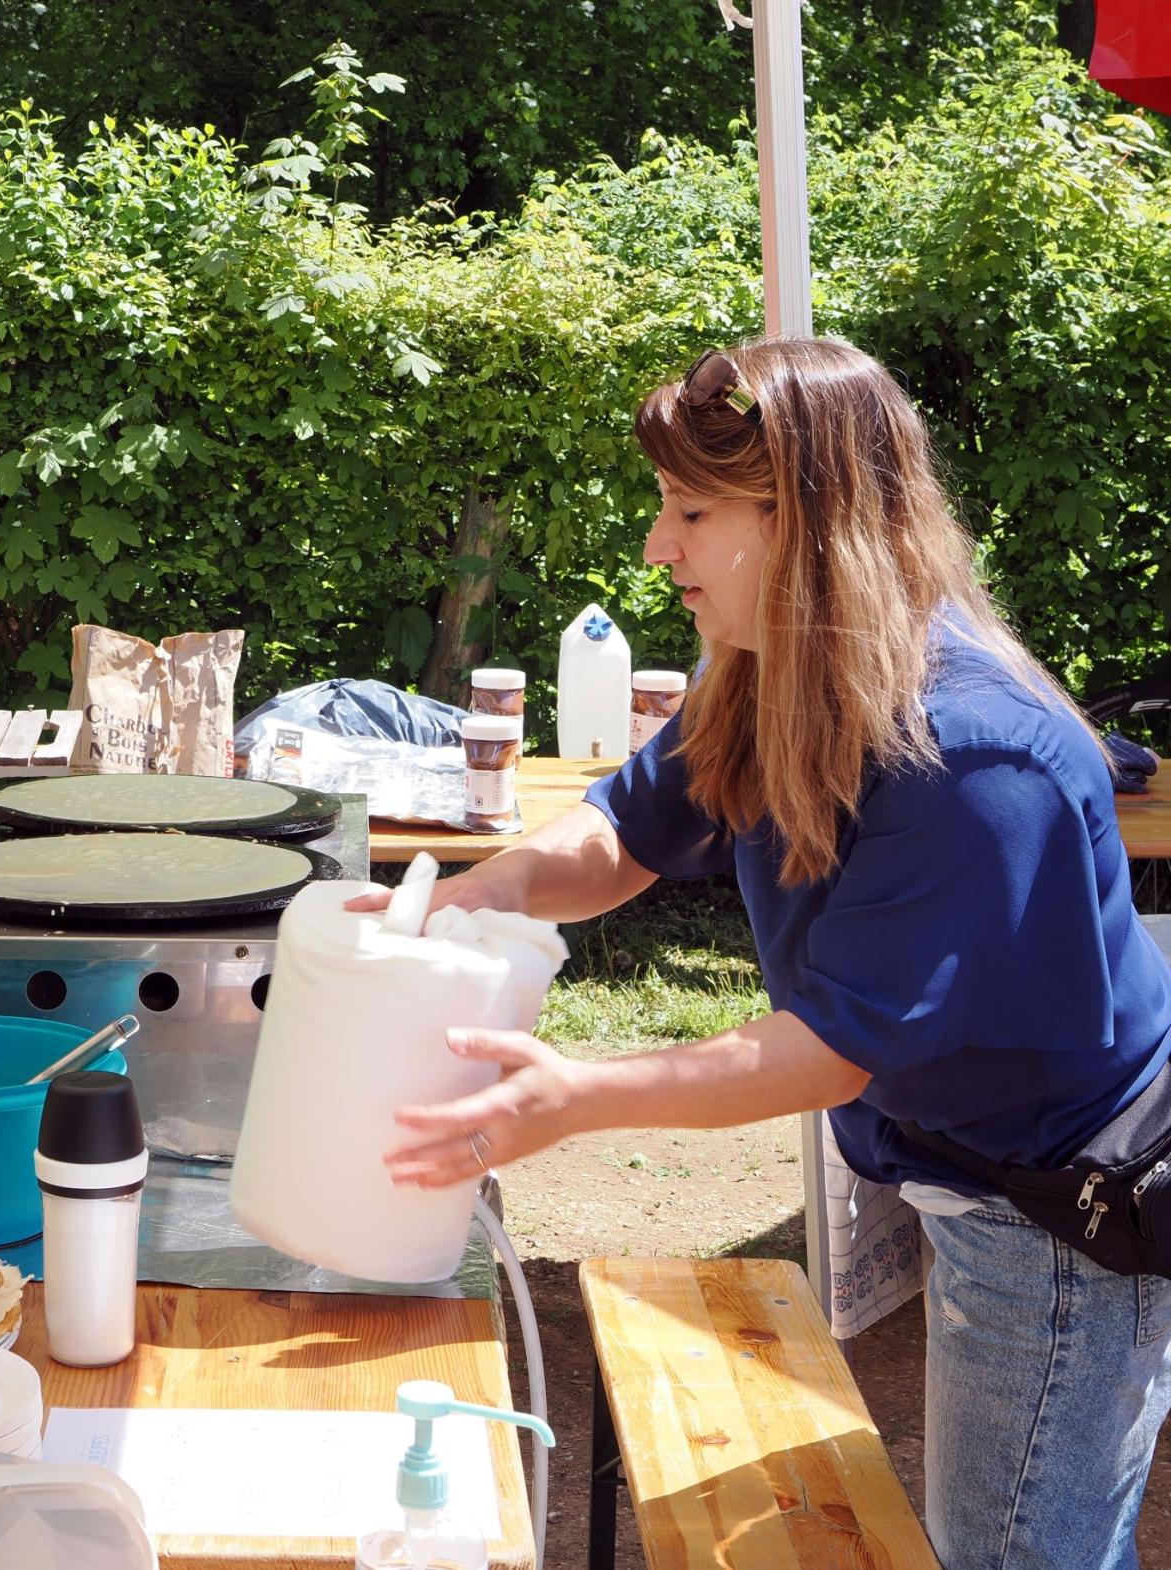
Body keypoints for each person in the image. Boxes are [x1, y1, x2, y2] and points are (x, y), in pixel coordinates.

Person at [357, 336, 1171, 1570]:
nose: (654, 546)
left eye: (691, 510)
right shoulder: (763, 667)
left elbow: (827, 1050)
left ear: (811, 519)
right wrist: (479, 891)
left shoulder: (969, 752)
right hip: (963, 1167)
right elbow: (621, 835)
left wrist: (576, 1095)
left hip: (1066, 1211)